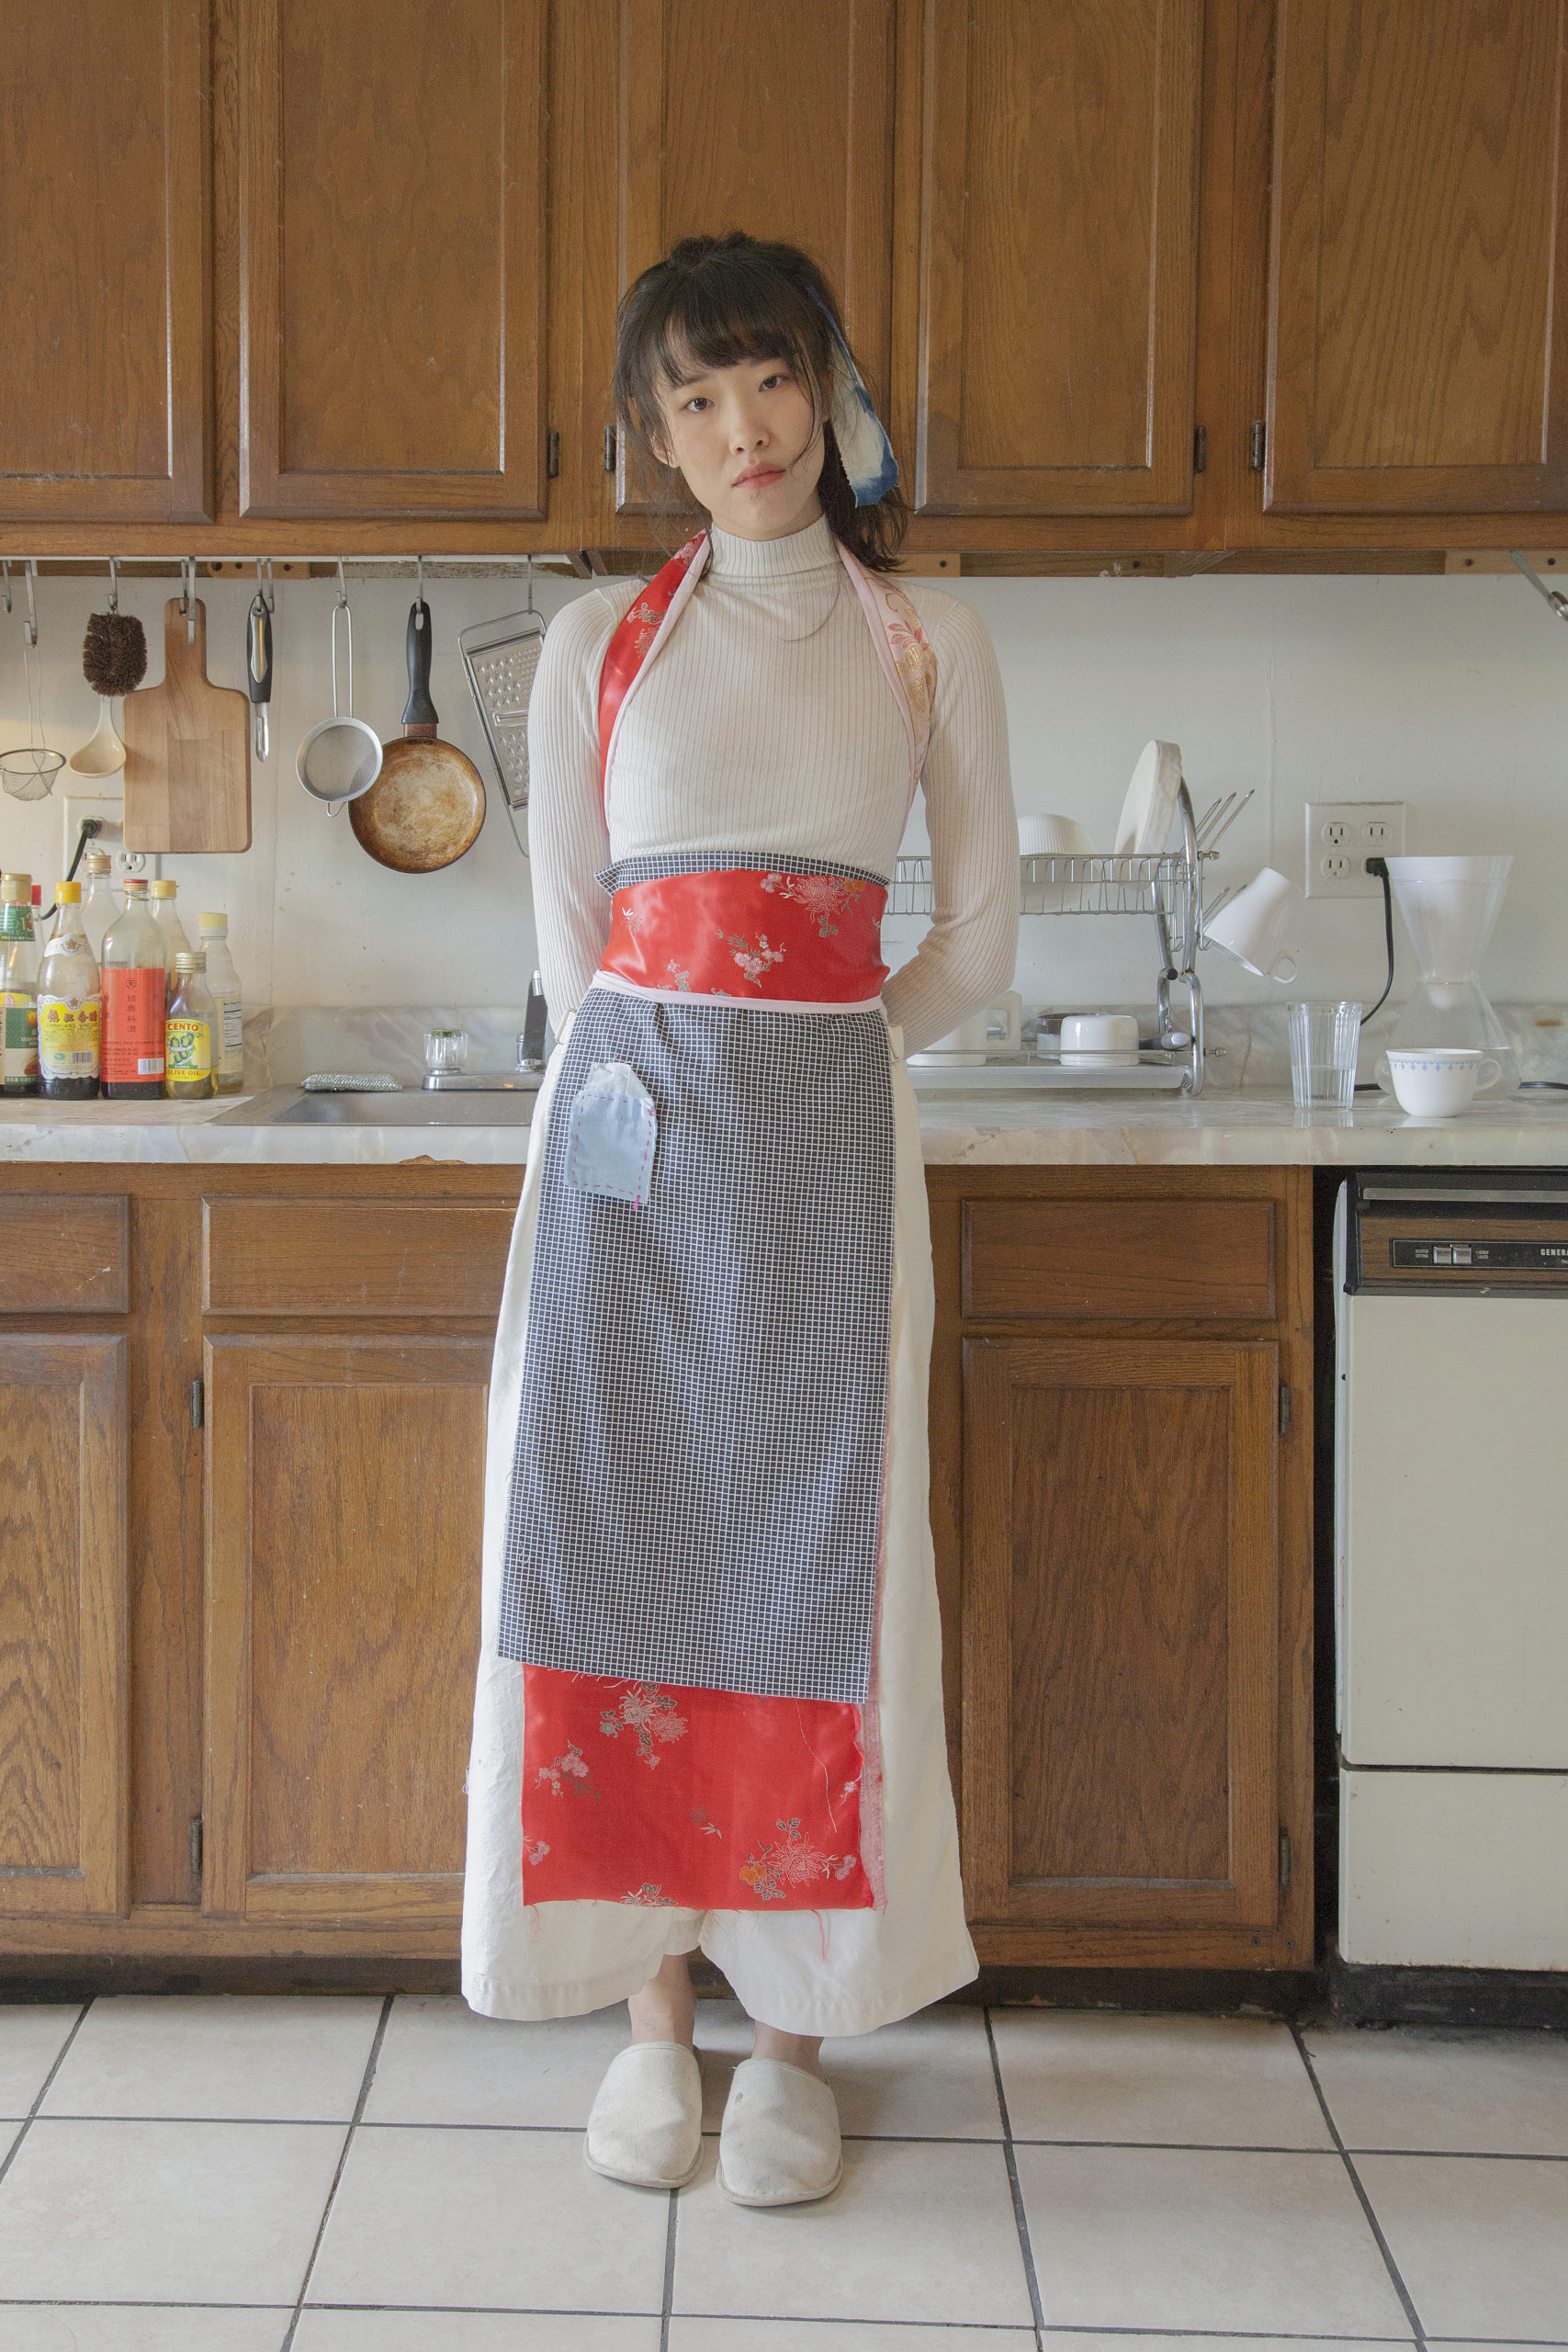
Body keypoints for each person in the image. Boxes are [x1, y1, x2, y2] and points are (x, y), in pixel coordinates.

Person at [462, 230, 1018, 2207]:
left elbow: (977, 942)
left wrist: (825, 1053)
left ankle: (790, 2040)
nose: (736, 427)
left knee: (815, 1559)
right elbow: (570, 949)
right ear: (651, 436)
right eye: (689, 398)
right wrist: (676, 1068)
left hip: (824, 1163)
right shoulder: (592, 642)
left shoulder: (916, 636)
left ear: (826, 386)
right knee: (616, 1535)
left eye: (763, 379)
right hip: (620, 1160)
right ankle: (649, 2024)